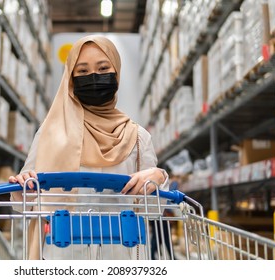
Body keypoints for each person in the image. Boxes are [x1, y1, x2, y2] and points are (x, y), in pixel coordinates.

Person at [9, 35, 169, 260]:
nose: (93, 77)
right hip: (64, 257)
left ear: (117, 72)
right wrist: (22, 186)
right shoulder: (51, 132)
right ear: (71, 78)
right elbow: (24, 202)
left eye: (103, 68)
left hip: (121, 257)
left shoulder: (137, 137)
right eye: (82, 71)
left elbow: (154, 210)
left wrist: (159, 177)